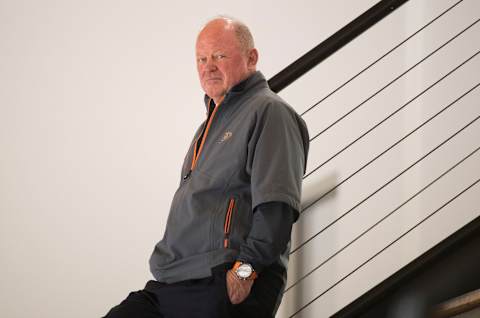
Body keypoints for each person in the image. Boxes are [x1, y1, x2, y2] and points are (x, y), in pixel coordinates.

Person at [103, 16, 309, 318]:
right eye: (201, 58)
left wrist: (243, 275)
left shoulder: (270, 112)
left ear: (251, 57)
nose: (208, 66)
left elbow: (276, 211)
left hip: (221, 283)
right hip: (171, 282)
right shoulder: (208, 126)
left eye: (219, 56)